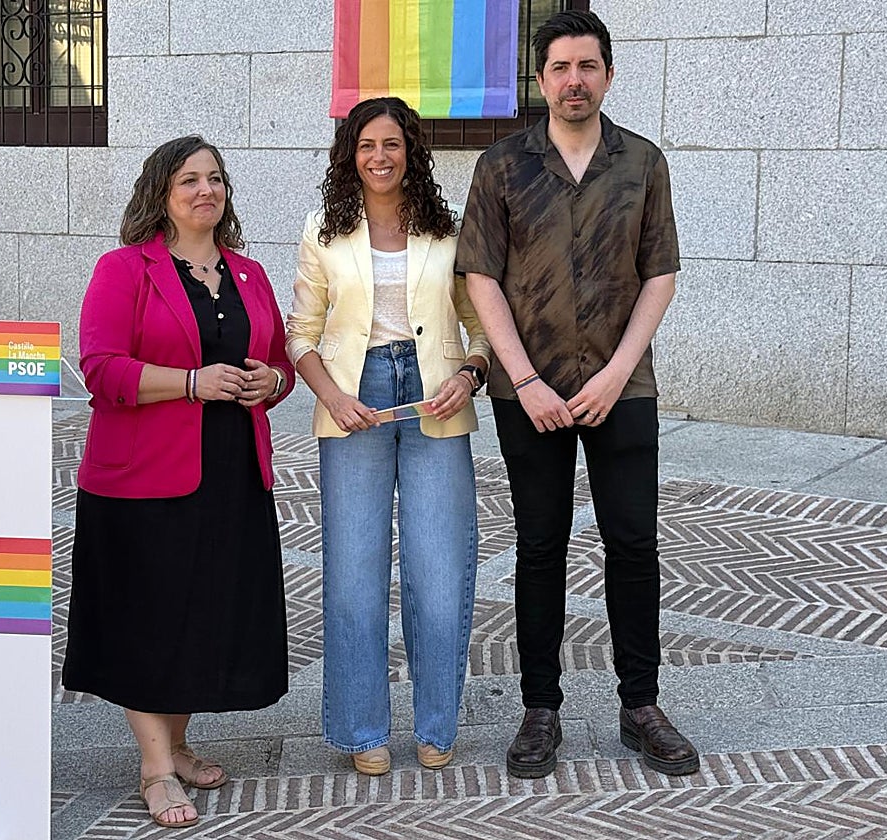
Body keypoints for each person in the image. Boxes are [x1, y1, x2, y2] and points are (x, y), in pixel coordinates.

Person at [455, 10, 700, 778]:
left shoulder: (643, 162)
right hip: (528, 393)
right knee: (540, 545)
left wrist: (618, 371)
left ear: (609, 75)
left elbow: (660, 273)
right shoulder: (502, 166)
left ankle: (641, 706)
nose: (574, 80)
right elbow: (480, 277)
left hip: (622, 386)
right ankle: (540, 710)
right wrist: (524, 379)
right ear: (540, 80)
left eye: (588, 66)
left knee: (633, 542)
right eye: (560, 67)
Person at [62, 136, 294, 828]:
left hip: (231, 474)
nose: (205, 190)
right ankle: (155, 767)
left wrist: (271, 381)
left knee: (204, 615)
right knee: (149, 619)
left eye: (215, 178)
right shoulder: (124, 269)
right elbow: (101, 369)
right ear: (161, 193)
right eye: (189, 179)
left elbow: (277, 364)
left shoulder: (249, 273)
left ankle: (181, 744)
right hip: (141, 478)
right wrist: (191, 383)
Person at [286, 97, 491, 775]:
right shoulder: (323, 229)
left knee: (440, 569)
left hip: (437, 397)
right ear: (351, 154)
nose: (380, 156)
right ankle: (361, 728)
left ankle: (436, 723)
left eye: (393, 144)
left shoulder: (446, 227)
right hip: (355, 399)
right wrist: (333, 396)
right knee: (354, 571)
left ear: (412, 153)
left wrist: (470, 375)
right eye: (368, 144)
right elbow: (301, 334)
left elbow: (480, 323)